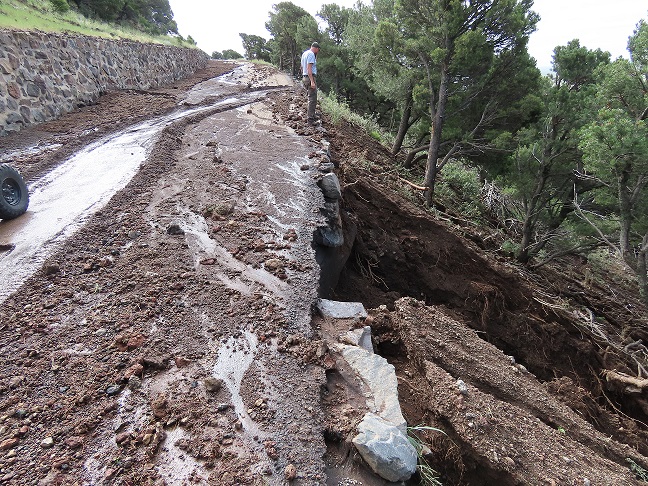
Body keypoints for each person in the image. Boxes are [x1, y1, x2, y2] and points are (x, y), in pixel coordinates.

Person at [300, 42, 320, 125]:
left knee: (311, 97)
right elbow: (309, 68)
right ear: (316, 48)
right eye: (318, 50)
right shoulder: (311, 54)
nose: (317, 52)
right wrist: (312, 81)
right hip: (309, 77)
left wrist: (303, 77)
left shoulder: (305, 53)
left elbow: (301, 67)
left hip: (305, 77)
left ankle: (312, 115)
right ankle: (310, 120)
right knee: (312, 99)